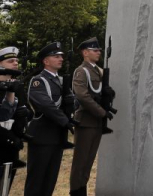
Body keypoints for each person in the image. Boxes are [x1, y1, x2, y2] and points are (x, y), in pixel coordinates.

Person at [25, 41, 77, 196]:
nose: (60, 58)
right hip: (42, 137)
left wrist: (72, 104)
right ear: (45, 61)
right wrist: (65, 121)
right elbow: (47, 106)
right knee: (36, 181)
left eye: (61, 56)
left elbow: (72, 103)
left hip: (57, 137)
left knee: (49, 181)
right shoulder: (38, 81)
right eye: (55, 56)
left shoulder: (61, 81)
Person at [70, 38, 113, 196]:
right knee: (80, 162)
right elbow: (83, 96)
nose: (99, 52)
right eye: (95, 50)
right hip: (86, 122)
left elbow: (102, 91)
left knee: (88, 162)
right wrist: (102, 112)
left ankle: (83, 190)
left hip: (96, 123)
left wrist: (110, 93)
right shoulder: (82, 71)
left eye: (99, 50)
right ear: (85, 53)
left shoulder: (98, 70)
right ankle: (76, 192)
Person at [0, 46, 26, 192]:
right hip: (2, 140)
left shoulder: (16, 85)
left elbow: (23, 110)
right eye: (11, 61)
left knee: (6, 187)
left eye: (16, 61)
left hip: (11, 146)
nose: (15, 63)